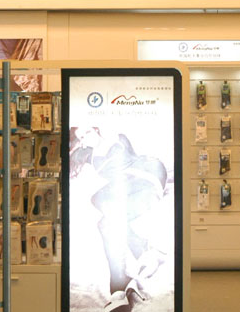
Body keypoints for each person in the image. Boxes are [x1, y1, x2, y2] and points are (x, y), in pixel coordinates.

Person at [69, 126, 169, 312]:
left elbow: (118, 145)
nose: (85, 139)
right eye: (81, 137)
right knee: (104, 221)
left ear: (96, 129)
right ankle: (122, 283)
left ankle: (124, 280)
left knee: (103, 206)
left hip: (149, 174)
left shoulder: (114, 138)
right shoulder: (91, 155)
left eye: (87, 132)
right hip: (133, 187)